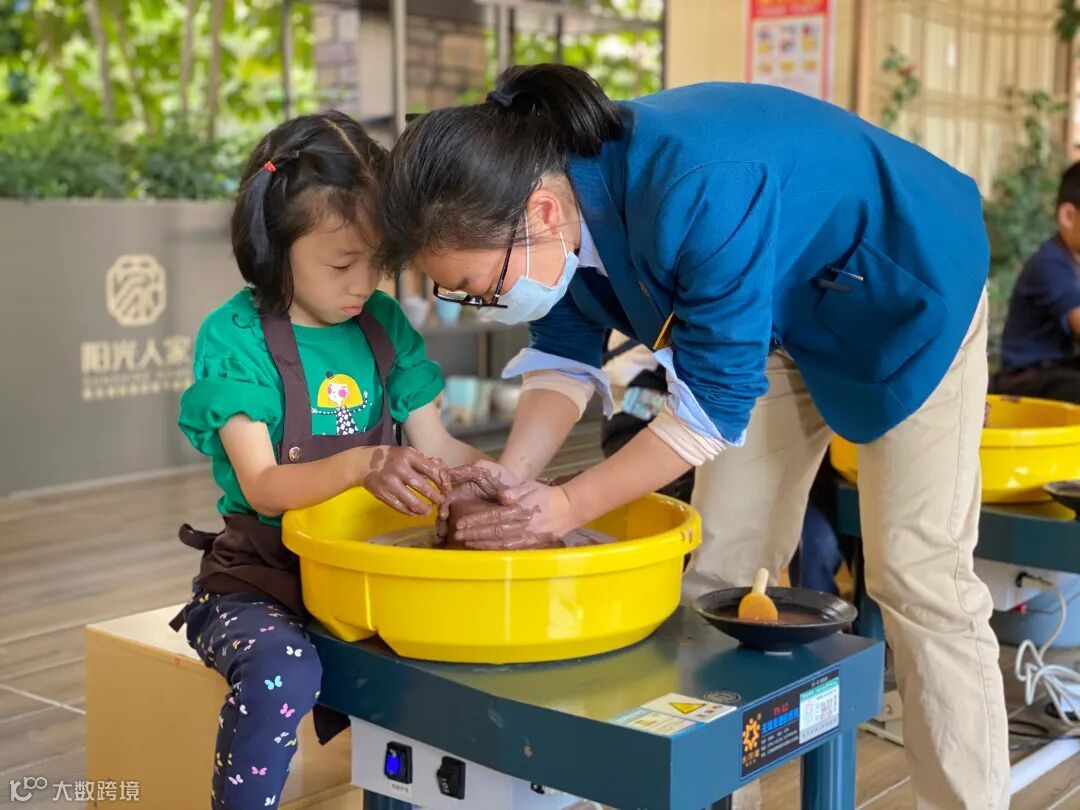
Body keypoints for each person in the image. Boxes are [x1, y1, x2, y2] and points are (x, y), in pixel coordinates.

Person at [376, 65, 1009, 808]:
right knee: (722, 569)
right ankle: (721, 797)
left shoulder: (694, 184)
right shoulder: (556, 209)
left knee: (918, 575)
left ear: (541, 212)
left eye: (479, 288)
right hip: (772, 322)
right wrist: (515, 481)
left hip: (906, 292)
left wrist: (565, 507)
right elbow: (564, 356)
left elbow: (711, 406)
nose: (479, 303)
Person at [170, 111, 489, 810]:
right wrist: (364, 464)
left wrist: (506, 478)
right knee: (281, 673)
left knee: (459, 656)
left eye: (380, 261)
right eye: (343, 264)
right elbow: (264, 485)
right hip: (262, 581)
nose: (364, 282)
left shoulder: (384, 324)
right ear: (273, 246)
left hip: (370, 571)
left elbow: (436, 446)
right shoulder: (235, 337)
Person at [994, 162, 1080, 402]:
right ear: (1068, 216)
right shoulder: (1049, 263)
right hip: (1023, 379)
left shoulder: (1071, 261)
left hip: (1056, 370)